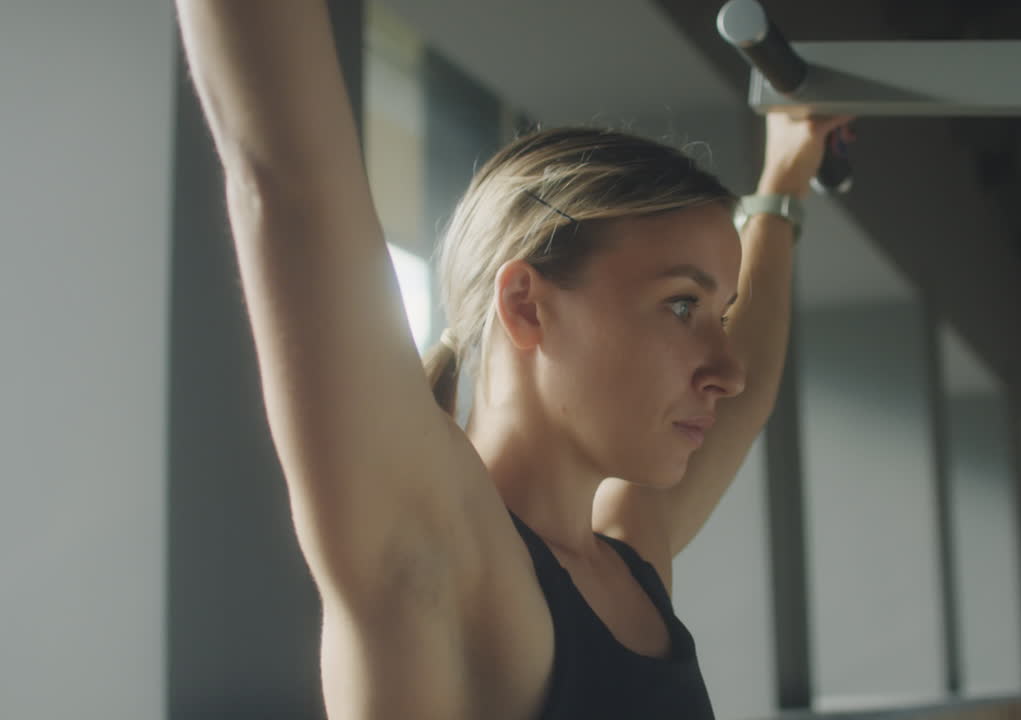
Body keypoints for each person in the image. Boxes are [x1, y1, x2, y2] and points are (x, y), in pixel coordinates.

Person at [174, 2, 853, 717]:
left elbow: (746, 397)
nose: (726, 368)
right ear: (527, 306)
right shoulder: (443, 554)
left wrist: (784, 176)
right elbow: (289, 182)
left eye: (718, 317)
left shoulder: (626, 560)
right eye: (682, 306)